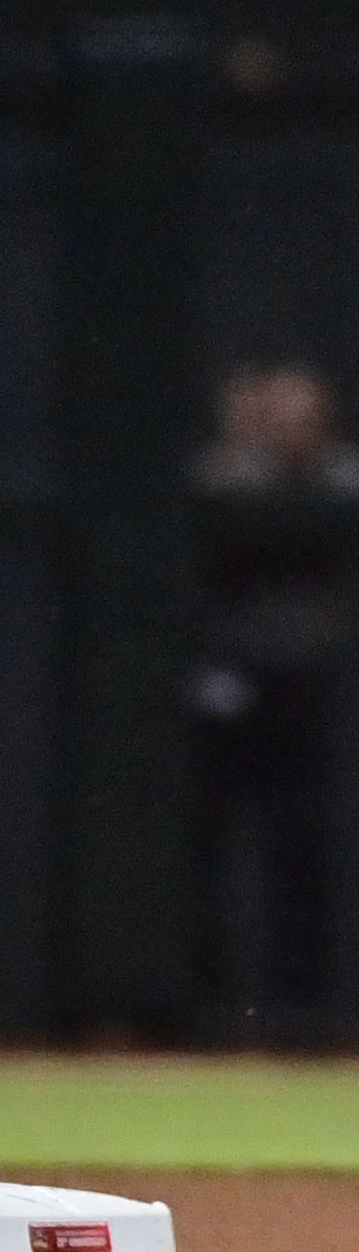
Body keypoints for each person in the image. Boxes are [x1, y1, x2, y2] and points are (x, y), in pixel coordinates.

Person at [186, 363, 359, 1020]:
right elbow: (210, 503)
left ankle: (301, 1004)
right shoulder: (232, 472)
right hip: (235, 684)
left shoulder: (339, 477)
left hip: (310, 689)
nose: (292, 434)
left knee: (304, 846)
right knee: (210, 845)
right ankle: (211, 1000)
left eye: (305, 420)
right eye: (279, 420)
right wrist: (239, 443)